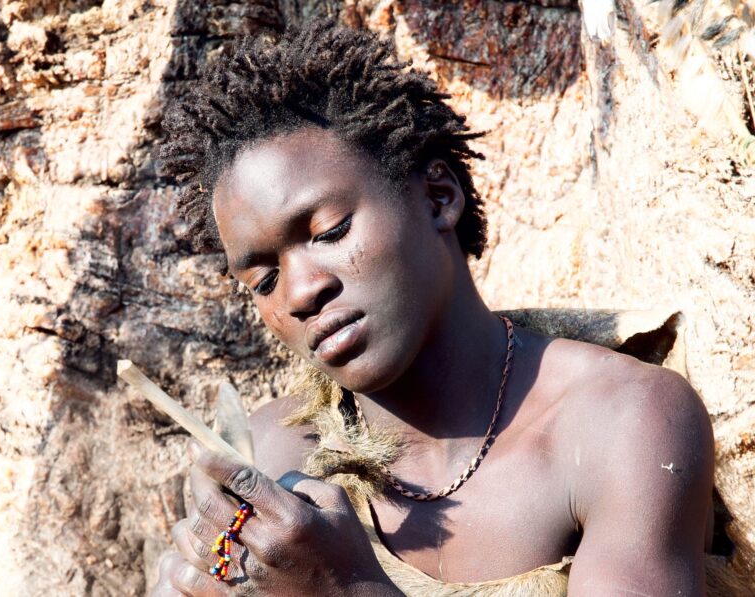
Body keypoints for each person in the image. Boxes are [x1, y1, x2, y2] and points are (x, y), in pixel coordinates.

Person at [152, 20, 714, 596]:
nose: (299, 293)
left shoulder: (619, 422)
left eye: (331, 231)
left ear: (438, 197)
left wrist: (346, 587)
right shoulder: (273, 458)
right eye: (264, 280)